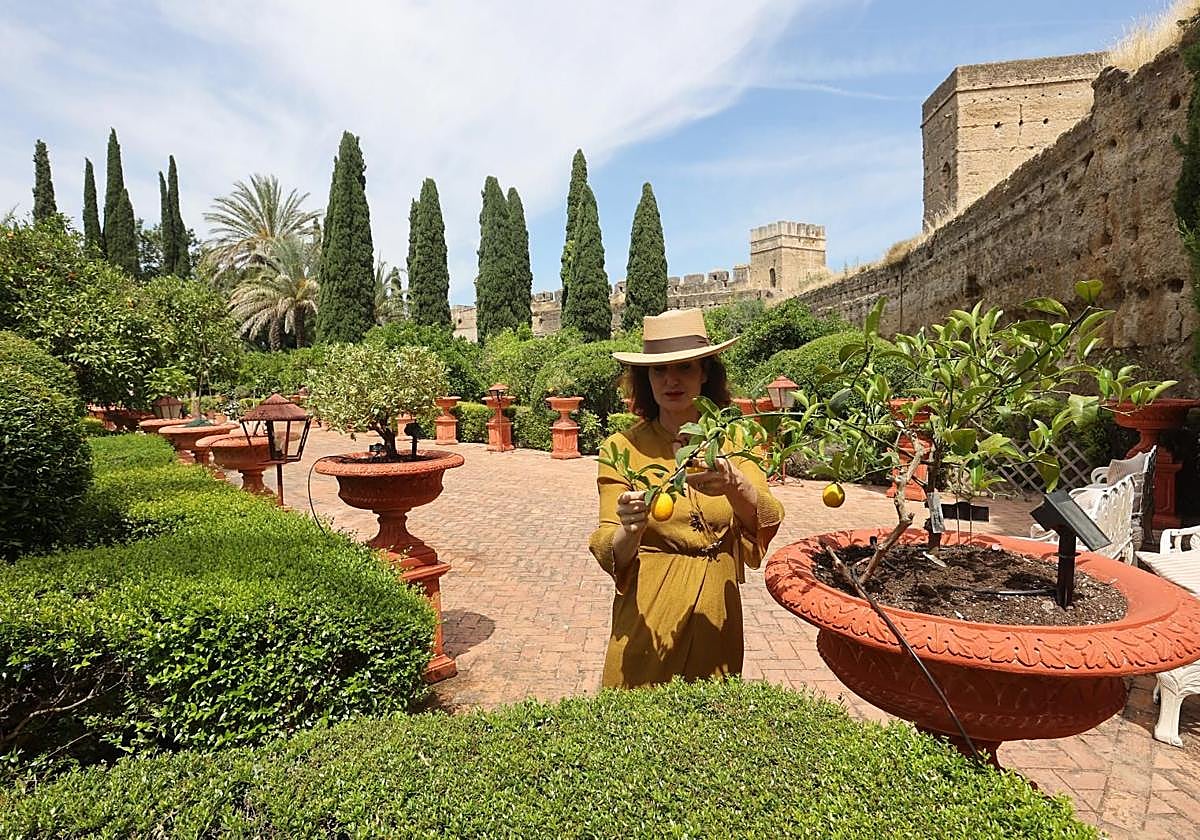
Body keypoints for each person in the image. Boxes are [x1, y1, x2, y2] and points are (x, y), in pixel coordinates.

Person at [589, 308, 784, 689]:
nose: (671, 380)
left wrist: (734, 483)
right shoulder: (623, 448)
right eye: (659, 370)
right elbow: (609, 547)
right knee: (636, 714)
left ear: (705, 372)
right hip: (649, 614)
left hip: (716, 614)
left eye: (685, 367)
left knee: (712, 716)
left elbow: (767, 516)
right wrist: (631, 528)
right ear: (646, 378)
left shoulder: (737, 441)